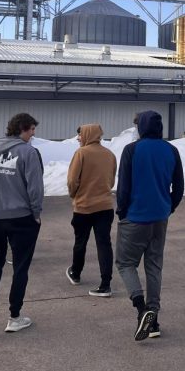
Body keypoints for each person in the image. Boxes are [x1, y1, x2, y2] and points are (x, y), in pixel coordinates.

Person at [115, 111, 184, 341]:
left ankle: (141, 308)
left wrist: (122, 211)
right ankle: (153, 318)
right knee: (154, 266)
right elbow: (179, 186)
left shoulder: (131, 150)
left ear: (141, 127)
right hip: (160, 218)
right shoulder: (171, 150)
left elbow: (123, 187)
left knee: (125, 263)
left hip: (135, 217)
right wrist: (169, 207)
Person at [0, 113, 43, 333]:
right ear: (23, 128)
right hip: (21, 217)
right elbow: (34, 187)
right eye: (32, 129)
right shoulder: (28, 152)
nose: (33, 134)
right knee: (20, 266)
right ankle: (14, 315)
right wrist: (36, 212)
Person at [66, 124, 117, 297]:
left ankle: (76, 273)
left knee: (80, 241)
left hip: (83, 207)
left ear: (87, 135)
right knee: (104, 244)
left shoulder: (81, 153)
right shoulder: (110, 155)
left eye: (80, 135)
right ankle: (105, 284)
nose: (79, 138)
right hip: (105, 207)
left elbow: (72, 180)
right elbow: (111, 180)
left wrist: (74, 195)